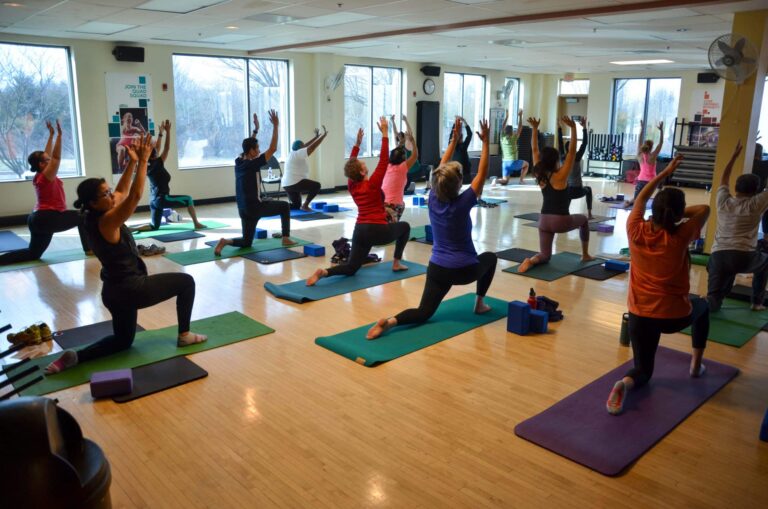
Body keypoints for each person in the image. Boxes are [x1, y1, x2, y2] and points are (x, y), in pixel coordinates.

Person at [45, 133, 207, 374]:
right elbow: (134, 195)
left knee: (123, 341)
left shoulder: (94, 215)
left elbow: (121, 192)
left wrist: (131, 162)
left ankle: (76, 357)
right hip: (132, 289)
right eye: (105, 194)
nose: (111, 196)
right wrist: (143, 161)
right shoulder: (107, 221)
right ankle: (184, 334)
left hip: (113, 292)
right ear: (91, 202)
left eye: (108, 191)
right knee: (186, 282)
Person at [367, 117, 497, 339]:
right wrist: (485, 143)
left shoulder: (433, 199)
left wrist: (453, 142)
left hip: (437, 269)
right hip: (464, 271)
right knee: (491, 258)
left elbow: (439, 170)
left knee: (423, 312)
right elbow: (481, 174)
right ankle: (479, 303)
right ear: (458, 185)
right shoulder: (462, 203)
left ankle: (391, 321)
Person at [605, 154, 710, 415]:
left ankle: (623, 384)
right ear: (675, 214)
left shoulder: (634, 228)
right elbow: (704, 210)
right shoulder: (680, 235)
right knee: (704, 307)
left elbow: (641, 196)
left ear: (655, 209)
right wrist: (673, 218)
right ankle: (696, 365)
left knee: (643, 371)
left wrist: (663, 176)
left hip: (640, 316)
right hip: (674, 316)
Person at [306, 118, 410, 286]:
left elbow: (351, 164)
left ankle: (324, 272)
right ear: (362, 172)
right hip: (377, 230)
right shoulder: (373, 184)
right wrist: (384, 132)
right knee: (405, 227)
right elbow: (384, 160)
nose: (363, 162)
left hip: (360, 230)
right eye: (362, 163)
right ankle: (396, 263)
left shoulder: (352, 185)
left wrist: (357, 144)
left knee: (352, 267)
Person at [0, 120, 90, 266]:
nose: (50, 161)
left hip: (37, 219)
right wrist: (60, 136)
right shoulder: (46, 176)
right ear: (41, 164)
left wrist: (51, 135)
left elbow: (47, 155)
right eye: (47, 160)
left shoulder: (40, 176)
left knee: (32, 254)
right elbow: (55, 158)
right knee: (84, 216)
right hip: (48, 217)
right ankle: (90, 249)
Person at [518, 116, 595, 273]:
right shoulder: (560, 175)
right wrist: (573, 128)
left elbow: (534, 150)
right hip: (561, 221)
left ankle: (531, 260)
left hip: (544, 221)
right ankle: (585, 254)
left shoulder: (540, 176)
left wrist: (534, 129)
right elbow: (572, 152)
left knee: (545, 255)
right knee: (584, 220)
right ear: (555, 162)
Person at [214, 111, 296, 256]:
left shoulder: (239, 161)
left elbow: (247, 146)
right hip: (254, 208)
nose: (259, 151)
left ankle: (225, 242)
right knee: (284, 206)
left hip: (242, 208)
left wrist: (256, 130)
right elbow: (273, 149)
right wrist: (276, 126)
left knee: (247, 242)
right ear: (251, 151)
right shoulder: (253, 164)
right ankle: (285, 238)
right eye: (257, 149)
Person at [707, 141, 768, 311]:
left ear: (735, 187)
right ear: (756, 190)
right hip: (745, 258)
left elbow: (724, 178)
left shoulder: (723, 201)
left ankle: (715, 300)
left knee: (713, 303)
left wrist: (733, 157)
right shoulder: (756, 203)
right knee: (764, 263)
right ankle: (756, 302)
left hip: (719, 256)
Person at [135, 119, 205, 231]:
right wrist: (168, 132)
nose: (157, 150)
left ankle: (130, 230)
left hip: (153, 200)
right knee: (189, 199)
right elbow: (166, 148)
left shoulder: (146, 165)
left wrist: (161, 133)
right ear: (154, 155)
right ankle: (196, 223)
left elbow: (157, 148)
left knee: (154, 226)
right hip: (162, 199)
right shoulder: (158, 162)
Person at [282, 125, 328, 211]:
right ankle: (305, 205)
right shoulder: (298, 154)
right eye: (303, 146)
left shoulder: (293, 153)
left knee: (296, 206)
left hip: (287, 184)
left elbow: (306, 146)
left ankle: (279, 206)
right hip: (295, 182)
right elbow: (311, 147)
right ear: (300, 148)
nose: (305, 147)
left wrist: (316, 137)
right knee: (316, 186)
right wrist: (322, 137)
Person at [557, 116, 593, 219]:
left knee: (566, 192)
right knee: (588, 189)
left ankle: (565, 213)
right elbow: (584, 143)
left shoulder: (562, 157)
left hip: (565, 191)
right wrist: (584, 128)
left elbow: (560, 143)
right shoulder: (576, 157)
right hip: (577, 191)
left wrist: (559, 128)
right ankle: (589, 214)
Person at [382, 129, 419, 222]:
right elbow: (415, 156)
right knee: (402, 205)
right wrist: (413, 141)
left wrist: (401, 143)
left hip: (381, 203)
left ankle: (390, 220)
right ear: (403, 158)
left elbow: (395, 152)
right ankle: (393, 220)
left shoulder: (387, 166)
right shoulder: (402, 167)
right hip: (394, 205)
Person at [626, 119, 664, 206]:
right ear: (651, 147)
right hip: (651, 182)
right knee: (643, 200)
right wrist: (661, 130)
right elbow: (661, 143)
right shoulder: (653, 156)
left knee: (637, 199)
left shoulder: (639, 155)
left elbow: (639, 141)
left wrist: (642, 128)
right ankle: (631, 203)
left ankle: (631, 203)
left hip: (640, 181)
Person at [392, 114, 426, 191]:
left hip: (412, 172)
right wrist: (394, 121)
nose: (399, 138)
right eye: (399, 137)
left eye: (400, 137)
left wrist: (404, 121)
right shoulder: (402, 145)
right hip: (411, 173)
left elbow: (408, 133)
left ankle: (427, 185)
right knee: (404, 189)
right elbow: (396, 133)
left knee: (427, 168)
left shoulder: (403, 145)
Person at [497, 109, 528, 185]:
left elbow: (502, 127)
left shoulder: (502, 138)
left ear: (505, 132)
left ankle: (495, 181)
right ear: (511, 132)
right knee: (527, 164)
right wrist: (520, 116)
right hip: (512, 162)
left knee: (505, 181)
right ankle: (521, 180)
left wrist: (507, 116)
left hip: (504, 163)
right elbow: (520, 128)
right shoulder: (513, 139)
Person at [450, 118, 473, 184]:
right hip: (464, 174)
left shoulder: (451, 146)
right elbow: (470, 134)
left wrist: (455, 124)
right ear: (460, 139)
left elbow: (452, 135)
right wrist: (465, 122)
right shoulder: (463, 147)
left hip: (456, 174)